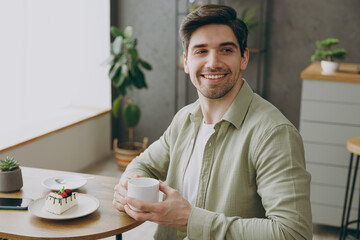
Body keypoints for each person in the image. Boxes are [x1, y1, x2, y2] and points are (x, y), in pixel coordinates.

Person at [113, 4, 312, 240]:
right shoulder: (184, 120)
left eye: (226, 50)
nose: (213, 62)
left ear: (244, 58)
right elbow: (142, 165)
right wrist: (127, 185)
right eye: (201, 51)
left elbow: (293, 234)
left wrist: (190, 219)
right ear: (186, 62)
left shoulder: (274, 134)